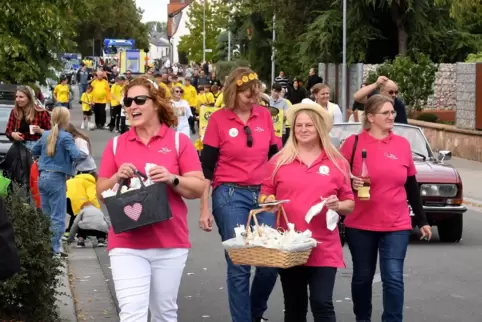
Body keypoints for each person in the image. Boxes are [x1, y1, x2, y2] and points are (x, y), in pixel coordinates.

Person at [96, 76, 205, 321]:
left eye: (139, 100)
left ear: (156, 103)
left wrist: (171, 178)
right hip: (127, 243)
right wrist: (116, 177)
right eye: (127, 102)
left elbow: (198, 187)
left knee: (164, 314)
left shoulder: (179, 142)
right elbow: (101, 192)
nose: (132, 106)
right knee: (132, 313)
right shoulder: (116, 145)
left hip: (170, 242)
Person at [339, 95, 432, 322]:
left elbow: (411, 185)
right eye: (386, 113)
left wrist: (423, 221)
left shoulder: (402, 145)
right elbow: (338, 179)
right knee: (362, 277)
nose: (392, 116)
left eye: (393, 112)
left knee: (393, 277)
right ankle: (363, 318)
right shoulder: (353, 143)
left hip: (396, 223)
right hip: (360, 222)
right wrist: (351, 181)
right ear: (370, 117)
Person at [261, 102, 355, 322]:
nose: (303, 130)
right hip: (290, 246)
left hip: (324, 246)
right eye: (298, 126)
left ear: (320, 128)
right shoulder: (278, 161)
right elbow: (264, 196)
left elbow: (349, 203)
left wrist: (337, 206)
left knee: (322, 303)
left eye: (308, 125)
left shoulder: (338, 162)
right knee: (294, 307)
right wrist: (270, 201)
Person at [199, 67, 279, 322]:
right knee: (240, 262)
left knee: (269, 262)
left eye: (256, 94)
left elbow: (276, 159)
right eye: (247, 95)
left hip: (263, 194)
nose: (253, 100)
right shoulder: (218, 120)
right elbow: (207, 168)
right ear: (234, 93)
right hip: (229, 194)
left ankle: (254, 313)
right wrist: (204, 208)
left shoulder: (265, 116)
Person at [31, 107, 86, 257]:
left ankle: (45, 246)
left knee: (45, 214)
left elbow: (34, 150)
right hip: (57, 178)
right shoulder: (66, 137)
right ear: (66, 121)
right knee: (58, 216)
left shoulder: (46, 135)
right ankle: (54, 249)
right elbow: (76, 155)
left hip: (42, 177)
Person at [66, 172, 108, 248]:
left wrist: (70, 239)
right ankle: (101, 240)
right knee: (101, 225)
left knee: (77, 220)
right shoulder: (90, 182)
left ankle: (79, 240)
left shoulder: (73, 180)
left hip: (65, 200)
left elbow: (75, 224)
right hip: (78, 201)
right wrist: (98, 209)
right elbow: (92, 197)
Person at [5, 86, 51, 151]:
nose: (17, 99)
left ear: (29, 98)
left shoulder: (41, 112)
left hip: (36, 148)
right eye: (16, 97)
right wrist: (13, 134)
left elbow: (51, 134)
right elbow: (8, 132)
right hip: (19, 147)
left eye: (21, 97)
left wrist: (40, 130)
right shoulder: (15, 112)